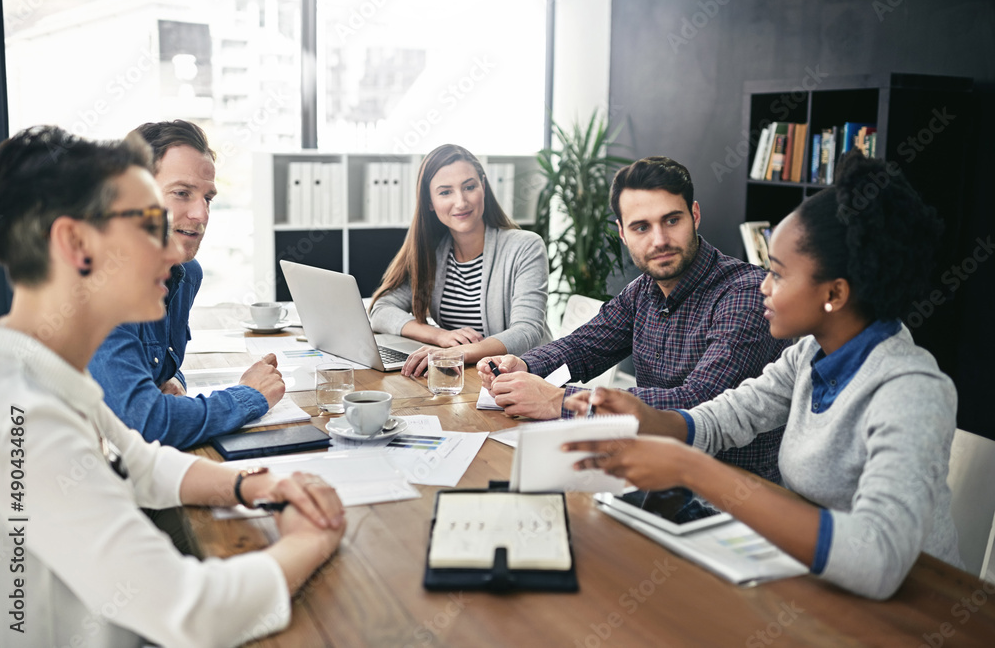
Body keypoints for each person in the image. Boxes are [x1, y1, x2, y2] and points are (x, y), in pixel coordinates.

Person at [0, 126, 346, 647]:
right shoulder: (20, 416)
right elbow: (192, 612)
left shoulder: (43, 371)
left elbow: (137, 460)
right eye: (148, 226)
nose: (171, 249)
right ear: (76, 244)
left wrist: (254, 486)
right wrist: (309, 541)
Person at [563, 152, 962, 600]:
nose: (764, 287)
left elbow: (879, 560)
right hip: (820, 583)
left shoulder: (911, 390)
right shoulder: (811, 353)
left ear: (834, 292)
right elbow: (725, 417)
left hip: (919, 607)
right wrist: (641, 416)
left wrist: (690, 469)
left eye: (777, 273)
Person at [479, 156, 787, 482]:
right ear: (623, 233)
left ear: (694, 216)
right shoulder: (643, 289)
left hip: (726, 493)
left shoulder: (746, 294)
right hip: (652, 471)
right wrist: (525, 366)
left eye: (671, 220)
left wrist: (560, 401)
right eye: (641, 227)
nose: (659, 240)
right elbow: (585, 346)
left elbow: (701, 401)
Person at [89, 120, 284, 450]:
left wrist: (173, 381)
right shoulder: (101, 288)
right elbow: (145, 424)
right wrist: (248, 396)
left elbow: (160, 367)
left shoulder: (184, 273)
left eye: (208, 197)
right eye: (182, 193)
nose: (202, 213)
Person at [369, 144, 552, 376]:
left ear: (483, 187)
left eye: (469, 187)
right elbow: (381, 311)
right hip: (467, 380)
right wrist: (439, 336)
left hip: (525, 379)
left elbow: (527, 331)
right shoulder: (433, 252)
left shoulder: (525, 246)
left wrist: (459, 353)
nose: (461, 202)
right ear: (429, 202)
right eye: (445, 192)